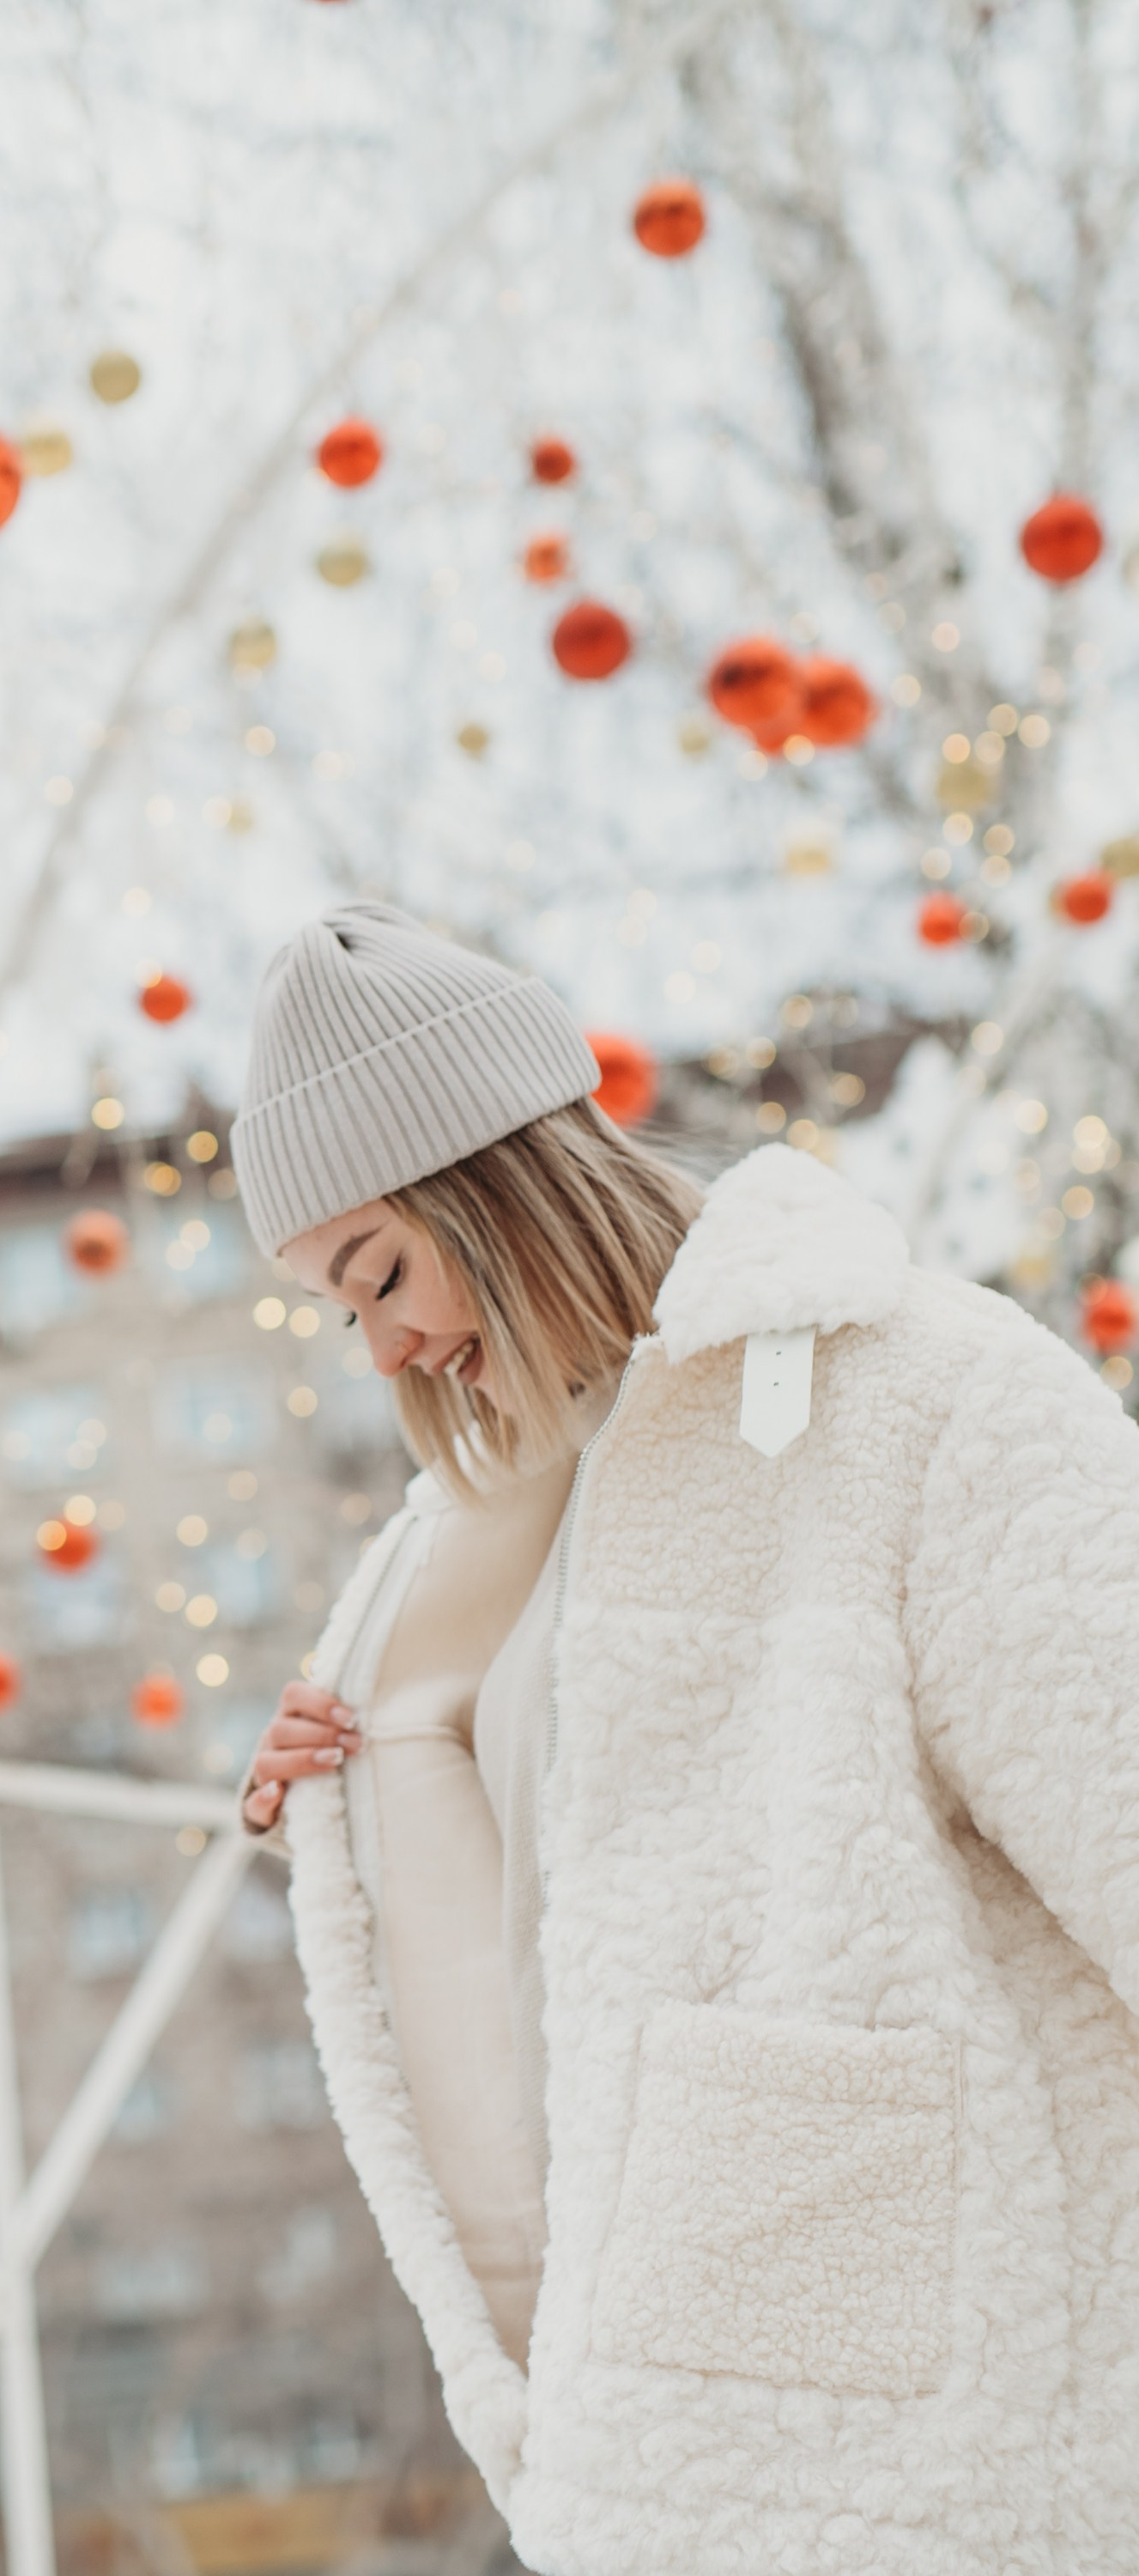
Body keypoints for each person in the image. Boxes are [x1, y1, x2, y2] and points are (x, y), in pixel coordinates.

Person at [228, 901, 1139, 2576]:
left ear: (495, 1187)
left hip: (935, 2461)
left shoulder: (919, 1394)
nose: (382, 1348)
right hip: (644, 2464)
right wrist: (355, 1802)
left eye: (379, 1274)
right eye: (333, 1312)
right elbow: (548, 1939)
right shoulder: (476, 1544)